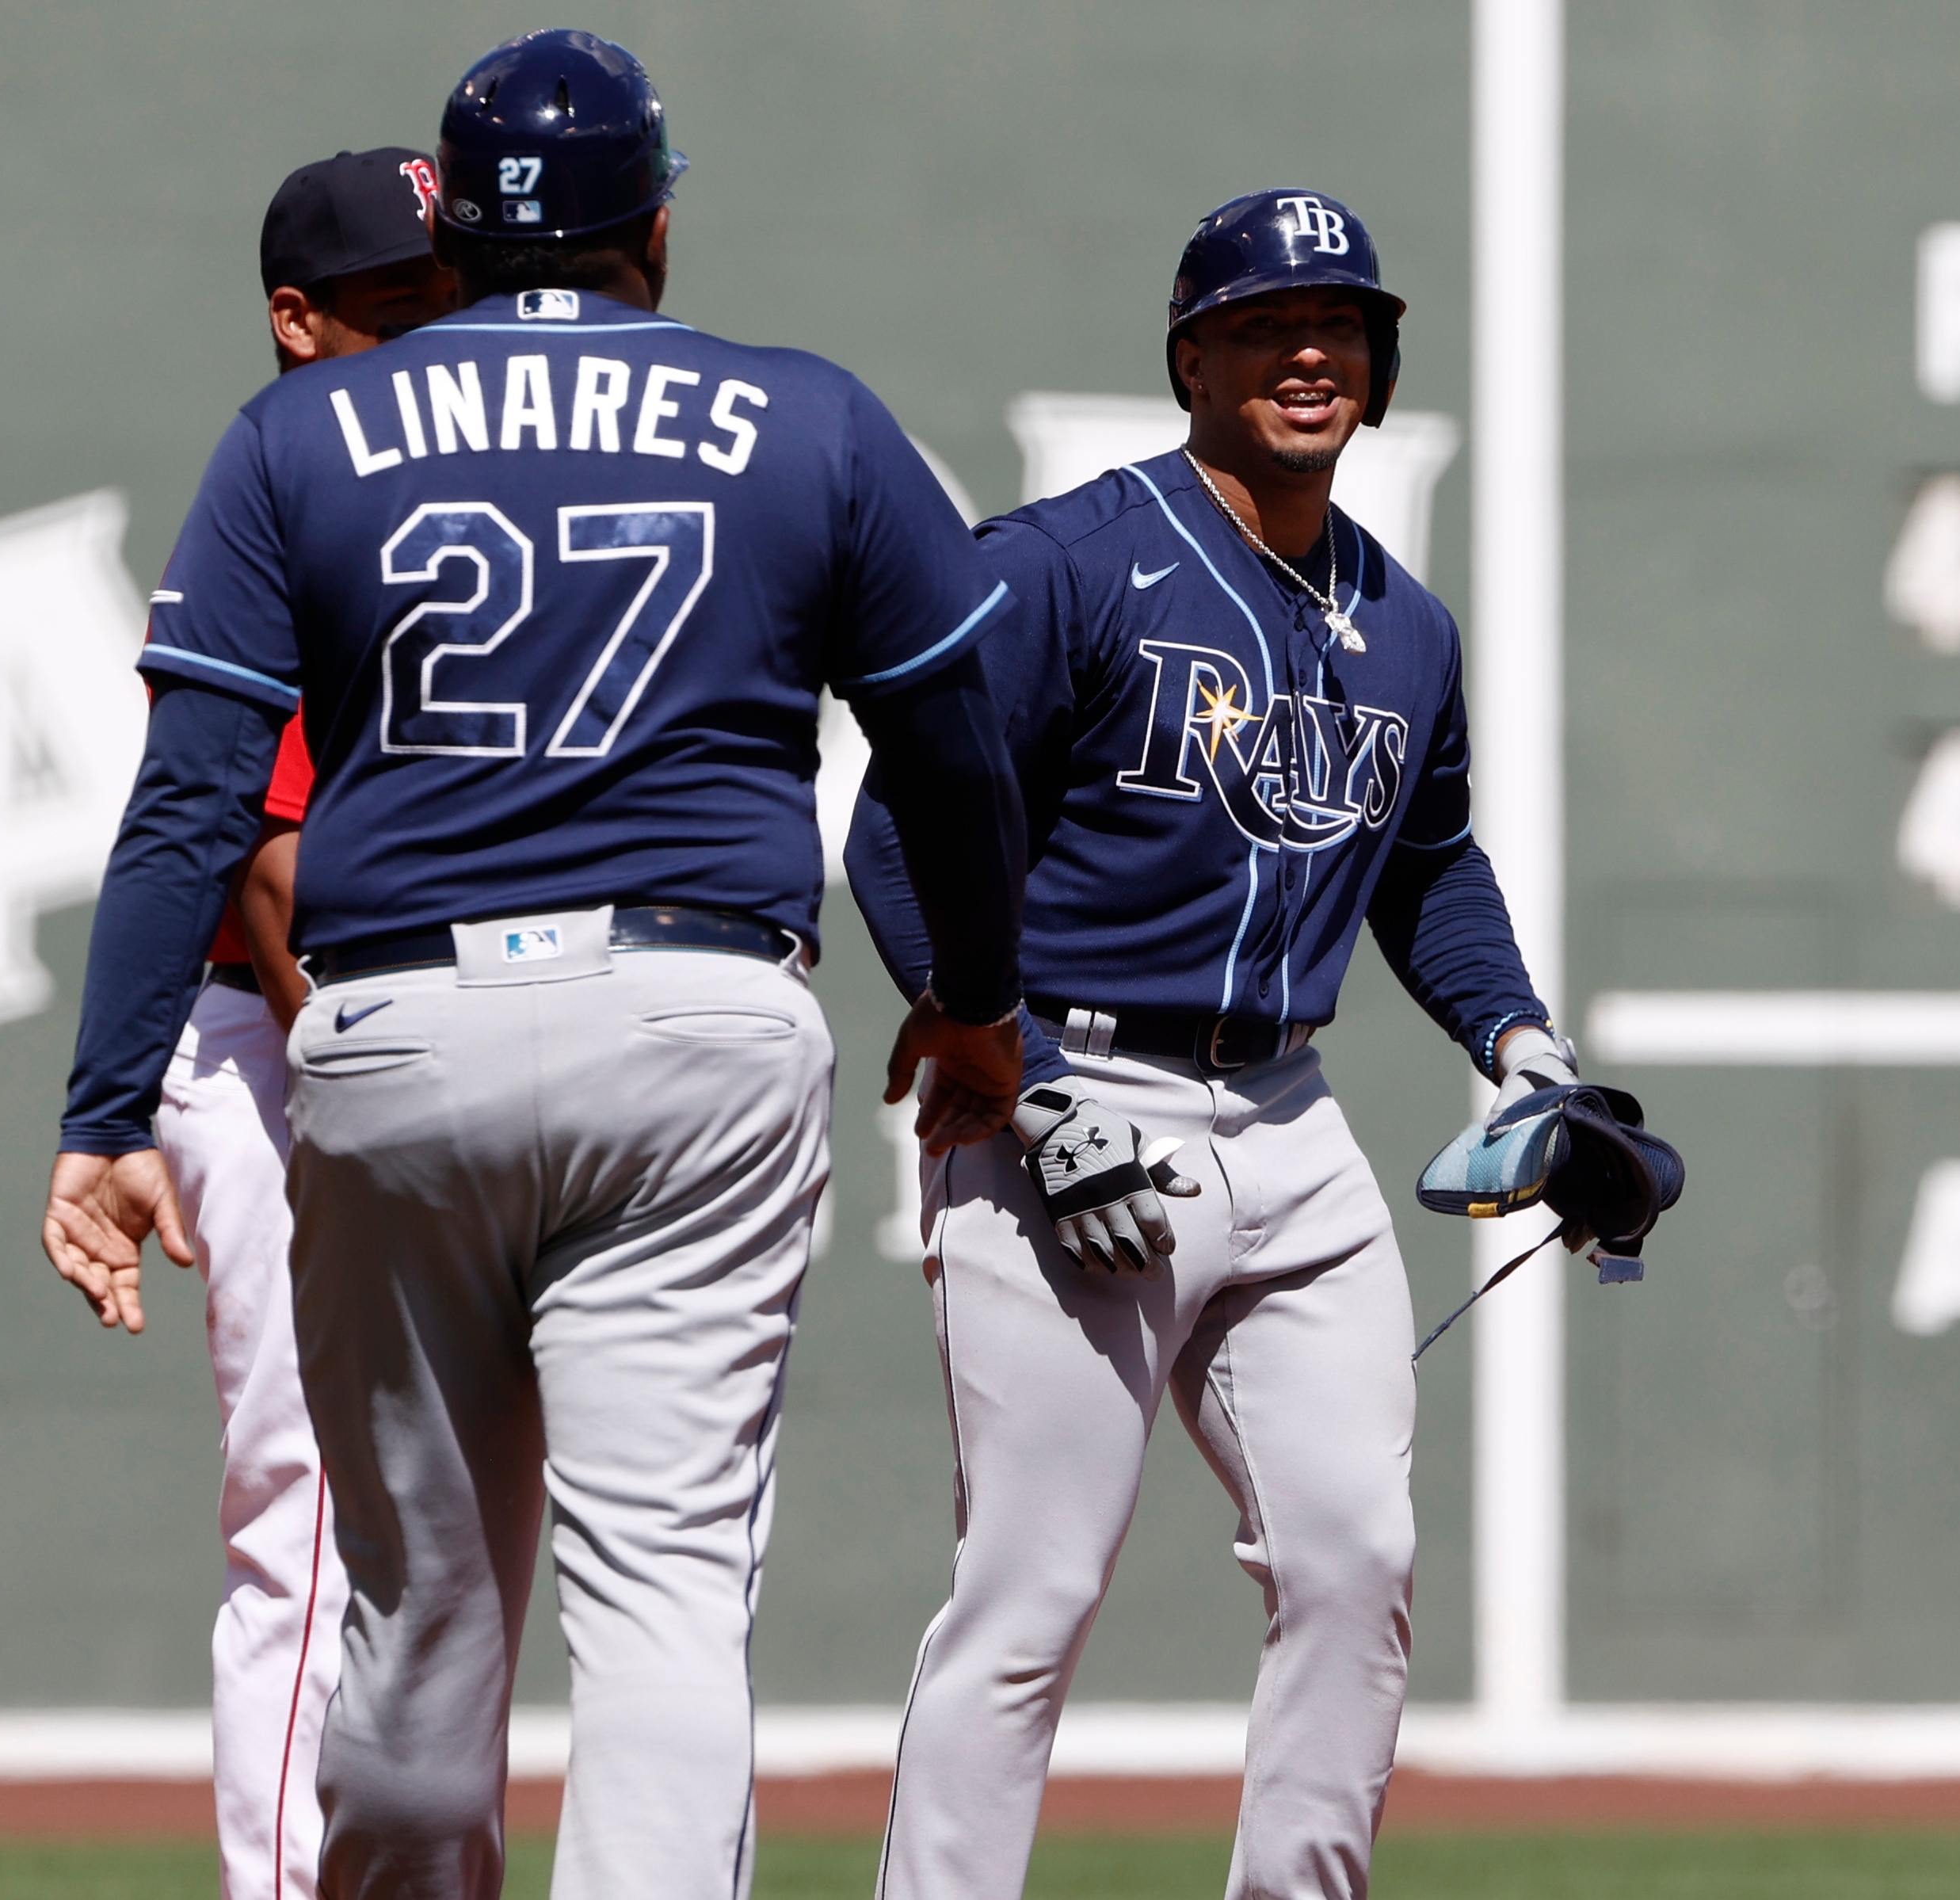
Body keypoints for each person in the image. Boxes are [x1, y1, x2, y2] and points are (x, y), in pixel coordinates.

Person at [38, 32, 1029, 1899]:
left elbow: (189, 802)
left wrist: (105, 1108)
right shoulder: (803, 412)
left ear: (463, 235)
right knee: (658, 1589)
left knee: (414, 1600)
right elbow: (953, 746)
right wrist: (975, 994)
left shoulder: (296, 432)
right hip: (694, 1018)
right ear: (653, 221)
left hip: (399, 1022)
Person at [847, 188, 1573, 1900]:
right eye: (1263, 325)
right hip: (1071, 1087)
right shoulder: (1068, 559)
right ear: (1189, 360)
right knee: (1028, 1589)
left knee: (1356, 1553)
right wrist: (1010, 1065)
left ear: (1380, 370)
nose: (1309, 352)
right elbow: (902, 824)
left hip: (1289, 1115)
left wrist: (1521, 1042)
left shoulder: (1402, 623)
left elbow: (1430, 863)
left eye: (1341, 327)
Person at [151, 147, 453, 1900]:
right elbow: (269, 879)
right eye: (401, 308)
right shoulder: (287, 490)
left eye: (456, 297)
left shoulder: (420, 488)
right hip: (284, 1036)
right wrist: (366, 1076)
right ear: (296, 320)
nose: (441, 341)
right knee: (313, 1509)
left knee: (435, 1532)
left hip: (399, 1025)